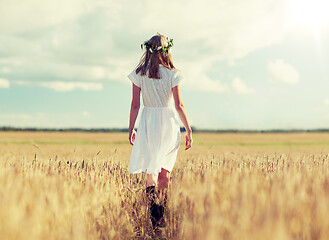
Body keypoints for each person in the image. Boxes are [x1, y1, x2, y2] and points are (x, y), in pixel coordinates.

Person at [128, 33, 192, 229]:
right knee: (165, 171)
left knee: (151, 167)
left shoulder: (139, 73)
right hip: (169, 122)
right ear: (167, 50)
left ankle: (153, 211)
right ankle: (161, 212)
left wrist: (131, 128)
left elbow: (135, 105)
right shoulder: (173, 74)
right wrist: (188, 129)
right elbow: (179, 105)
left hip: (148, 121)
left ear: (148, 50)